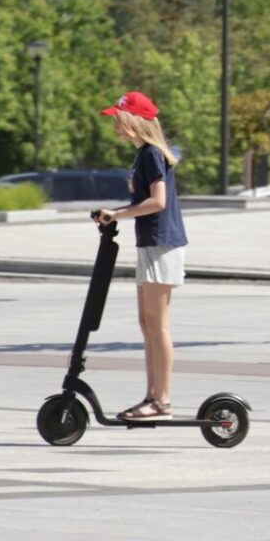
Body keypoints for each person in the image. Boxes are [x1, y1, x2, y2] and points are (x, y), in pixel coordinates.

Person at [93, 91, 188, 421]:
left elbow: (158, 201)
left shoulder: (151, 154)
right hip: (151, 242)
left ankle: (162, 402)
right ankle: (151, 397)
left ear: (132, 121)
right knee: (147, 323)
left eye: (117, 120)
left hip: (163, 243)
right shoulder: (143, 156)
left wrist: (117, 213)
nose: (115, 127)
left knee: (157, 325)